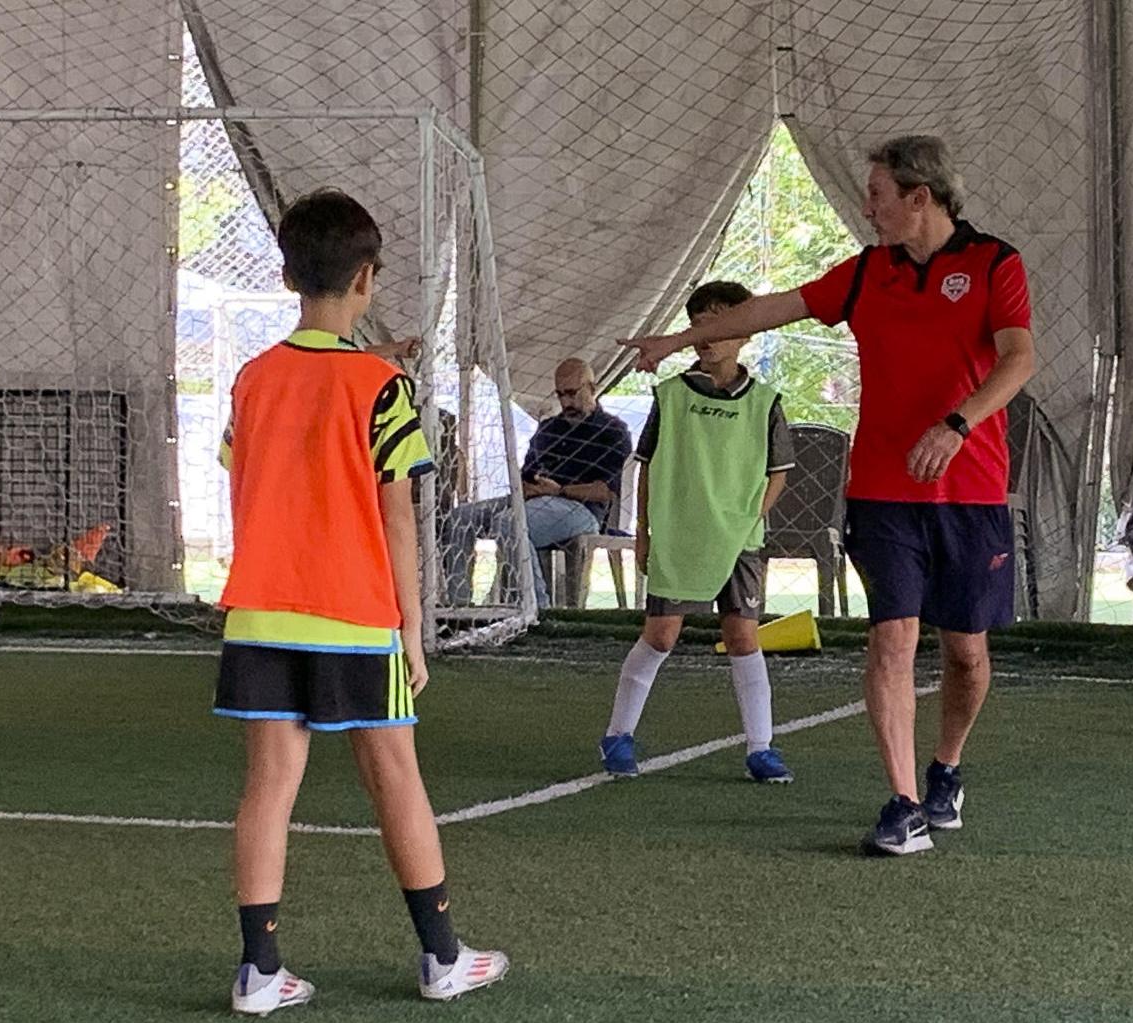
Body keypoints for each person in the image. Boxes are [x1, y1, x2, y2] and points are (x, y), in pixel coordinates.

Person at [621, 135, 1035, 856]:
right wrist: (675, 337)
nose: (867, 209)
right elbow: (767, 310)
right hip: (880, 492)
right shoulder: (864, 274)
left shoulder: (994, 263)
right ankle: (904, 802)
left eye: (877, 196)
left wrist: (957, 424)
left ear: (918, 197)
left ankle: (945, 769)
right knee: (891, 640)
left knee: (966, 653)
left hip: (969, 492)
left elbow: (1019, 358)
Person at [212, 188, 506, 1015]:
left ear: (286, 275)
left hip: (261, 612)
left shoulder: (251, 378)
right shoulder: (383, 385)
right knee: (397, 779)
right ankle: (442, 956)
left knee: (268, 786)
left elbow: (239, 472)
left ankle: (258, 971)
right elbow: (400, 519)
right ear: (368, 279)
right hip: (352, 615)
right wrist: (414, 632)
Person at [600, 281, 798, 784]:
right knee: (661, 635)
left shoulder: (765, 401)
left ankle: (761, 748)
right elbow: (646, 468)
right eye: (700, 324)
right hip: (680, 534)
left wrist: (749, 518)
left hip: (739, 541)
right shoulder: (670, 396)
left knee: (743, 638)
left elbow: (779, 471)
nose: (710, 335)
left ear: (746, 332)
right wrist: (644, 531)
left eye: (722, 323)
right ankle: (618, 735)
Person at [438, 358, 633, 607]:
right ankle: (459, 607)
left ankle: (537, 608)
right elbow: (525, 475)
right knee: (459, 518)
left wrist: (560, 491)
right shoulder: (549, 427)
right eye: (560, 394)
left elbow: (607, 492)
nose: (566, 402)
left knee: (510, 522)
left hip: (583, 511)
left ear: (591, 389)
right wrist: (527, 488)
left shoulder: (613, 431)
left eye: (572, 393)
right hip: (536, 500)